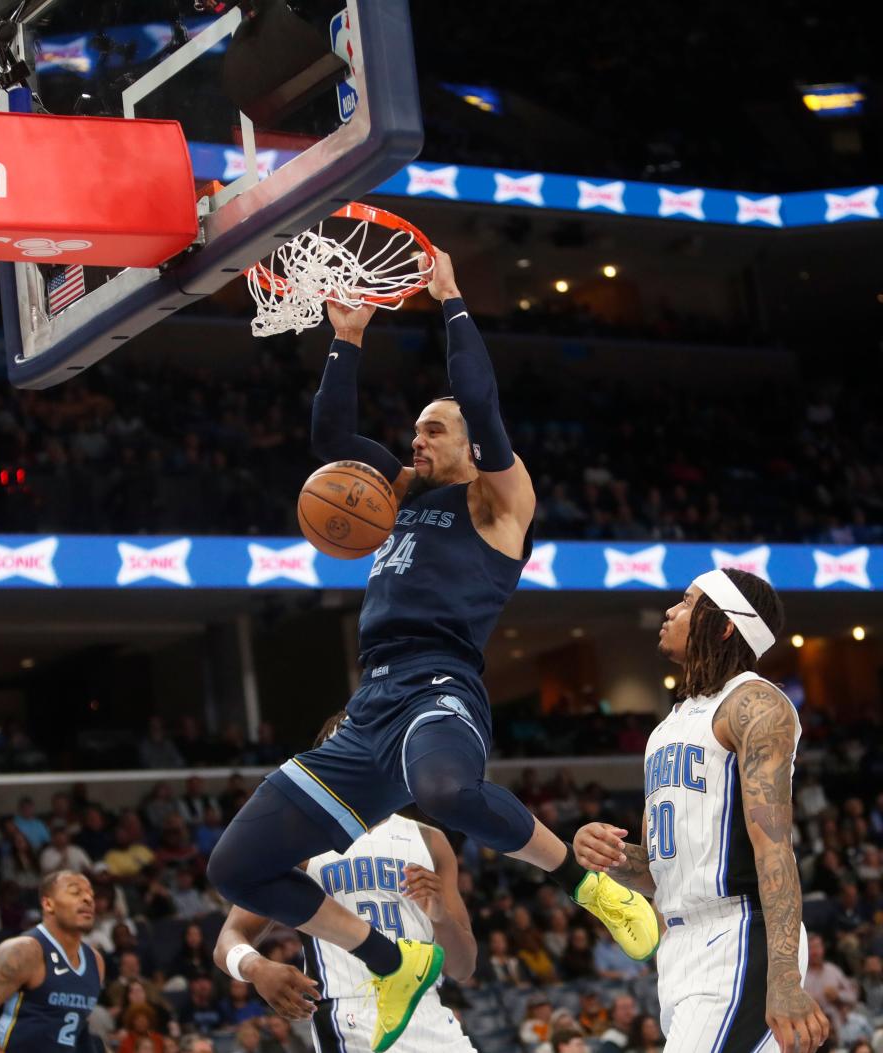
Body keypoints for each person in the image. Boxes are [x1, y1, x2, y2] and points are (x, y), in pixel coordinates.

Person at [207, 250, 658, 1052]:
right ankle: (391, 960)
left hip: (441, 684)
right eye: (414, 426)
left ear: (467, 445)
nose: (415, 439)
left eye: (431, 428)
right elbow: (328, 436)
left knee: (447, 788)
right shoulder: (397, 490)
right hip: (369, 704)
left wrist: (449, 297)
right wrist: (346, 338)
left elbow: (480, 406)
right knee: (237, 867)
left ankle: (589, 886)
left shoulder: (496, 500)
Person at [573, 569, 831, 1053]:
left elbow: (775, 849)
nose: (671, 610)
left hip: (739, 936)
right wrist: (609, 853)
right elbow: (657, 871)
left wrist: (784, 977)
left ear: (725, 625)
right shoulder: (670, 725)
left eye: (688, 602)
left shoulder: (755, 704)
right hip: (679, 946)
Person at [214, 712, 479, 1053]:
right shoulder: (297, 841)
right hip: (351, 1014)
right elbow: (228, 938)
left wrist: (441, 916)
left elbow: (463, 967)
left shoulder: (430, 840)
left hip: (428, 1011)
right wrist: (256, 967)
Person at [0, 870, 104, 1052]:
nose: (88, 899)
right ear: (48, 903)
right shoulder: (24, 951)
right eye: (75, 892)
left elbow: (76, 1029)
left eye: (91, 894)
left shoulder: (95, 961)